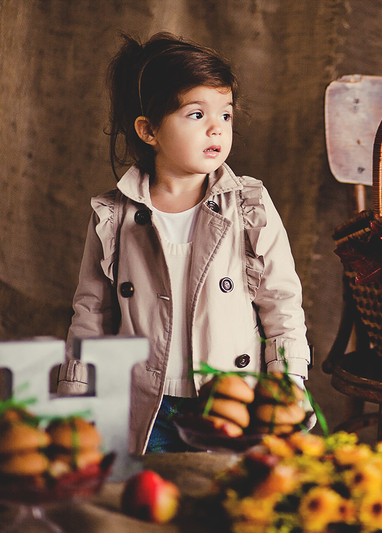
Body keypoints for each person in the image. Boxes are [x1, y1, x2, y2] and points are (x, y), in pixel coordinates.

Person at [57, 32, 311, 454]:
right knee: (150, 506)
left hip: (229, 402)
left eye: (225, 115)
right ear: (149, 130)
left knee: (224, 507)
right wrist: (76, 392)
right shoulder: (114, 215)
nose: (217, 127)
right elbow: (91, 310)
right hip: (142, 404)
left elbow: (280, 299)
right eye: (196, 114)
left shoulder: (248, 204)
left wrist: (289, 380)